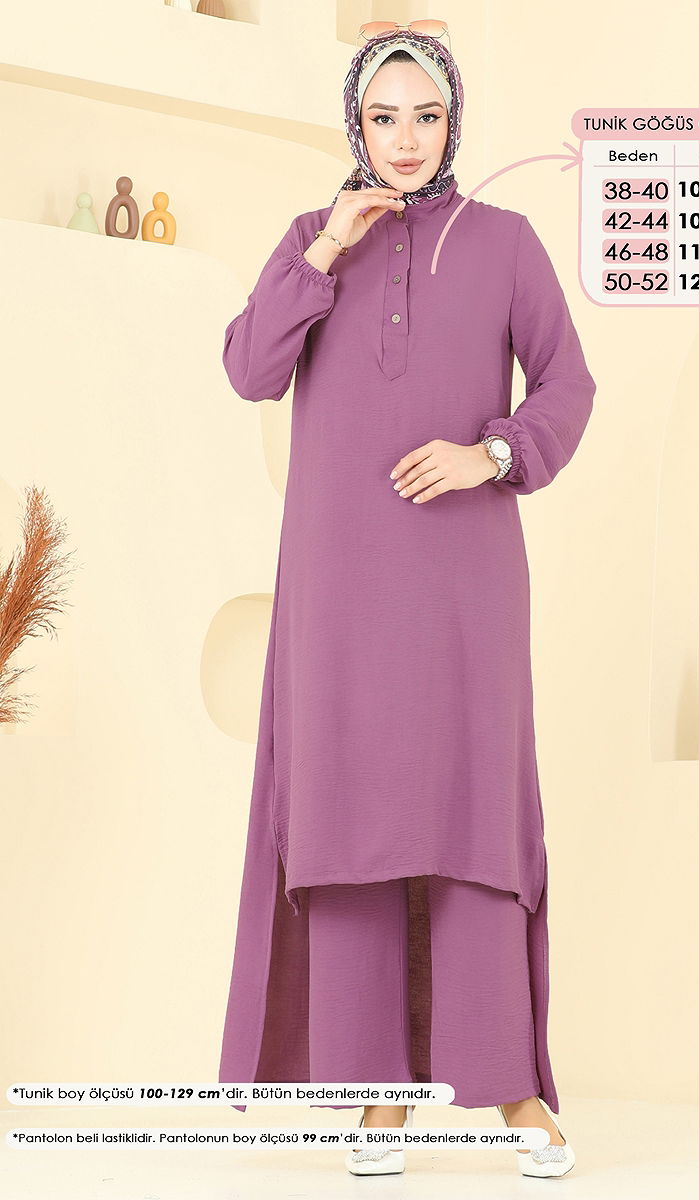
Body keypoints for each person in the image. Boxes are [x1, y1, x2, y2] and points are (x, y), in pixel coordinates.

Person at [217, 25, 595, 1180]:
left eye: (423, 116)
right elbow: (248, 369)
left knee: (470, 812)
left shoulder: (505, 242)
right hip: (337, 585)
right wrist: (329, 244)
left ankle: (512, 1090)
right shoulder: (310, 239)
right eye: (382, 118)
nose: (404, 139)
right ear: (355, 124)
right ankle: (379, 1096)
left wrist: (493, 453)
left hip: (462, 584)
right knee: (353, 817)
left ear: (452, 122)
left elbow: (566, 382)